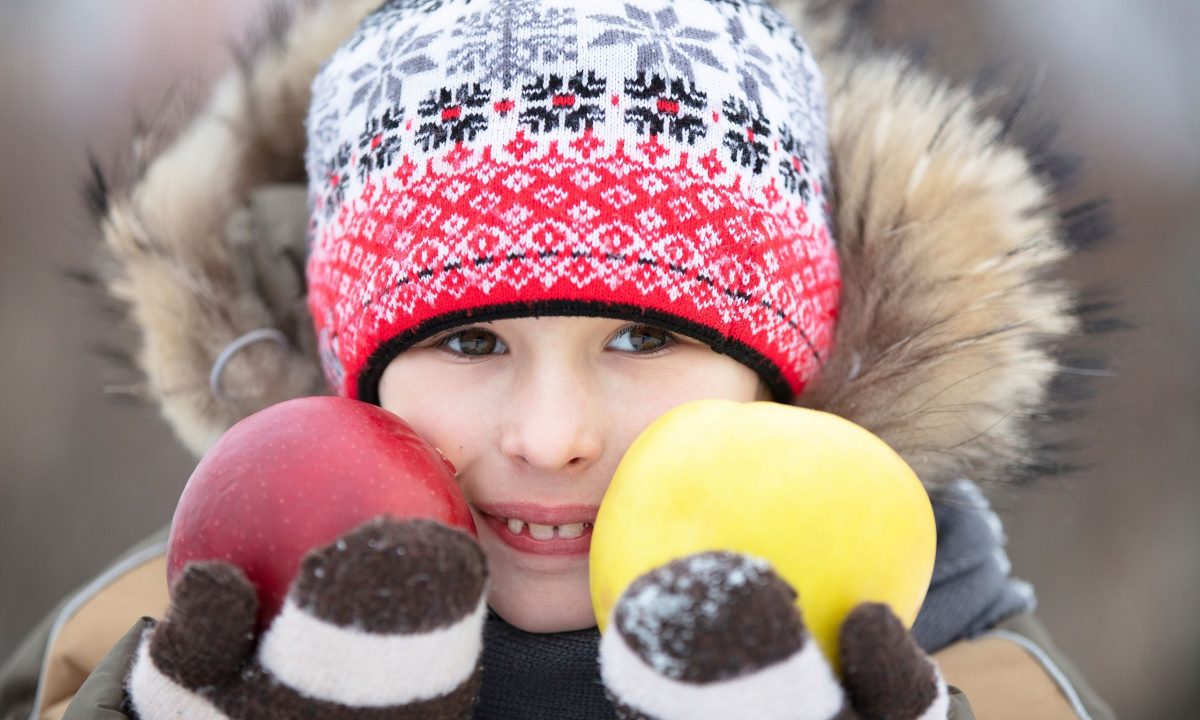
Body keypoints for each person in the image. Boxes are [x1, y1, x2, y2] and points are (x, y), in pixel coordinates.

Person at [0, 0, 1117, 718]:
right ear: (359, 371)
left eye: (642, 337)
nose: (551, 437)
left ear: (787, 366)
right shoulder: (180, 626)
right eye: (471, 341)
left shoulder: (971, 668)